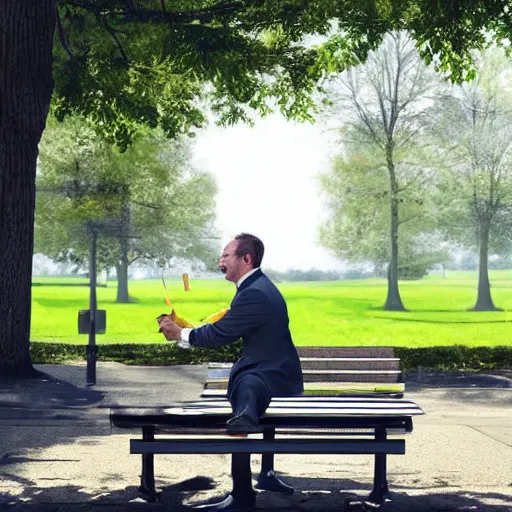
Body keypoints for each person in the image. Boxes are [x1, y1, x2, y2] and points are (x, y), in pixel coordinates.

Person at [158, 233, 304, 512]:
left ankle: (242, 494)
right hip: (275, 373)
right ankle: (259, 473)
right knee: (245, 390)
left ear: (246, 259)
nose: (220, 260)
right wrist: (187, 331)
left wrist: (180, 334)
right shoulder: (255, 288)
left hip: (269, 377)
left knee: (243, 403)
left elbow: (221, 334)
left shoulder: (255, 294)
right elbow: (228, 327)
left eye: (226, 255)